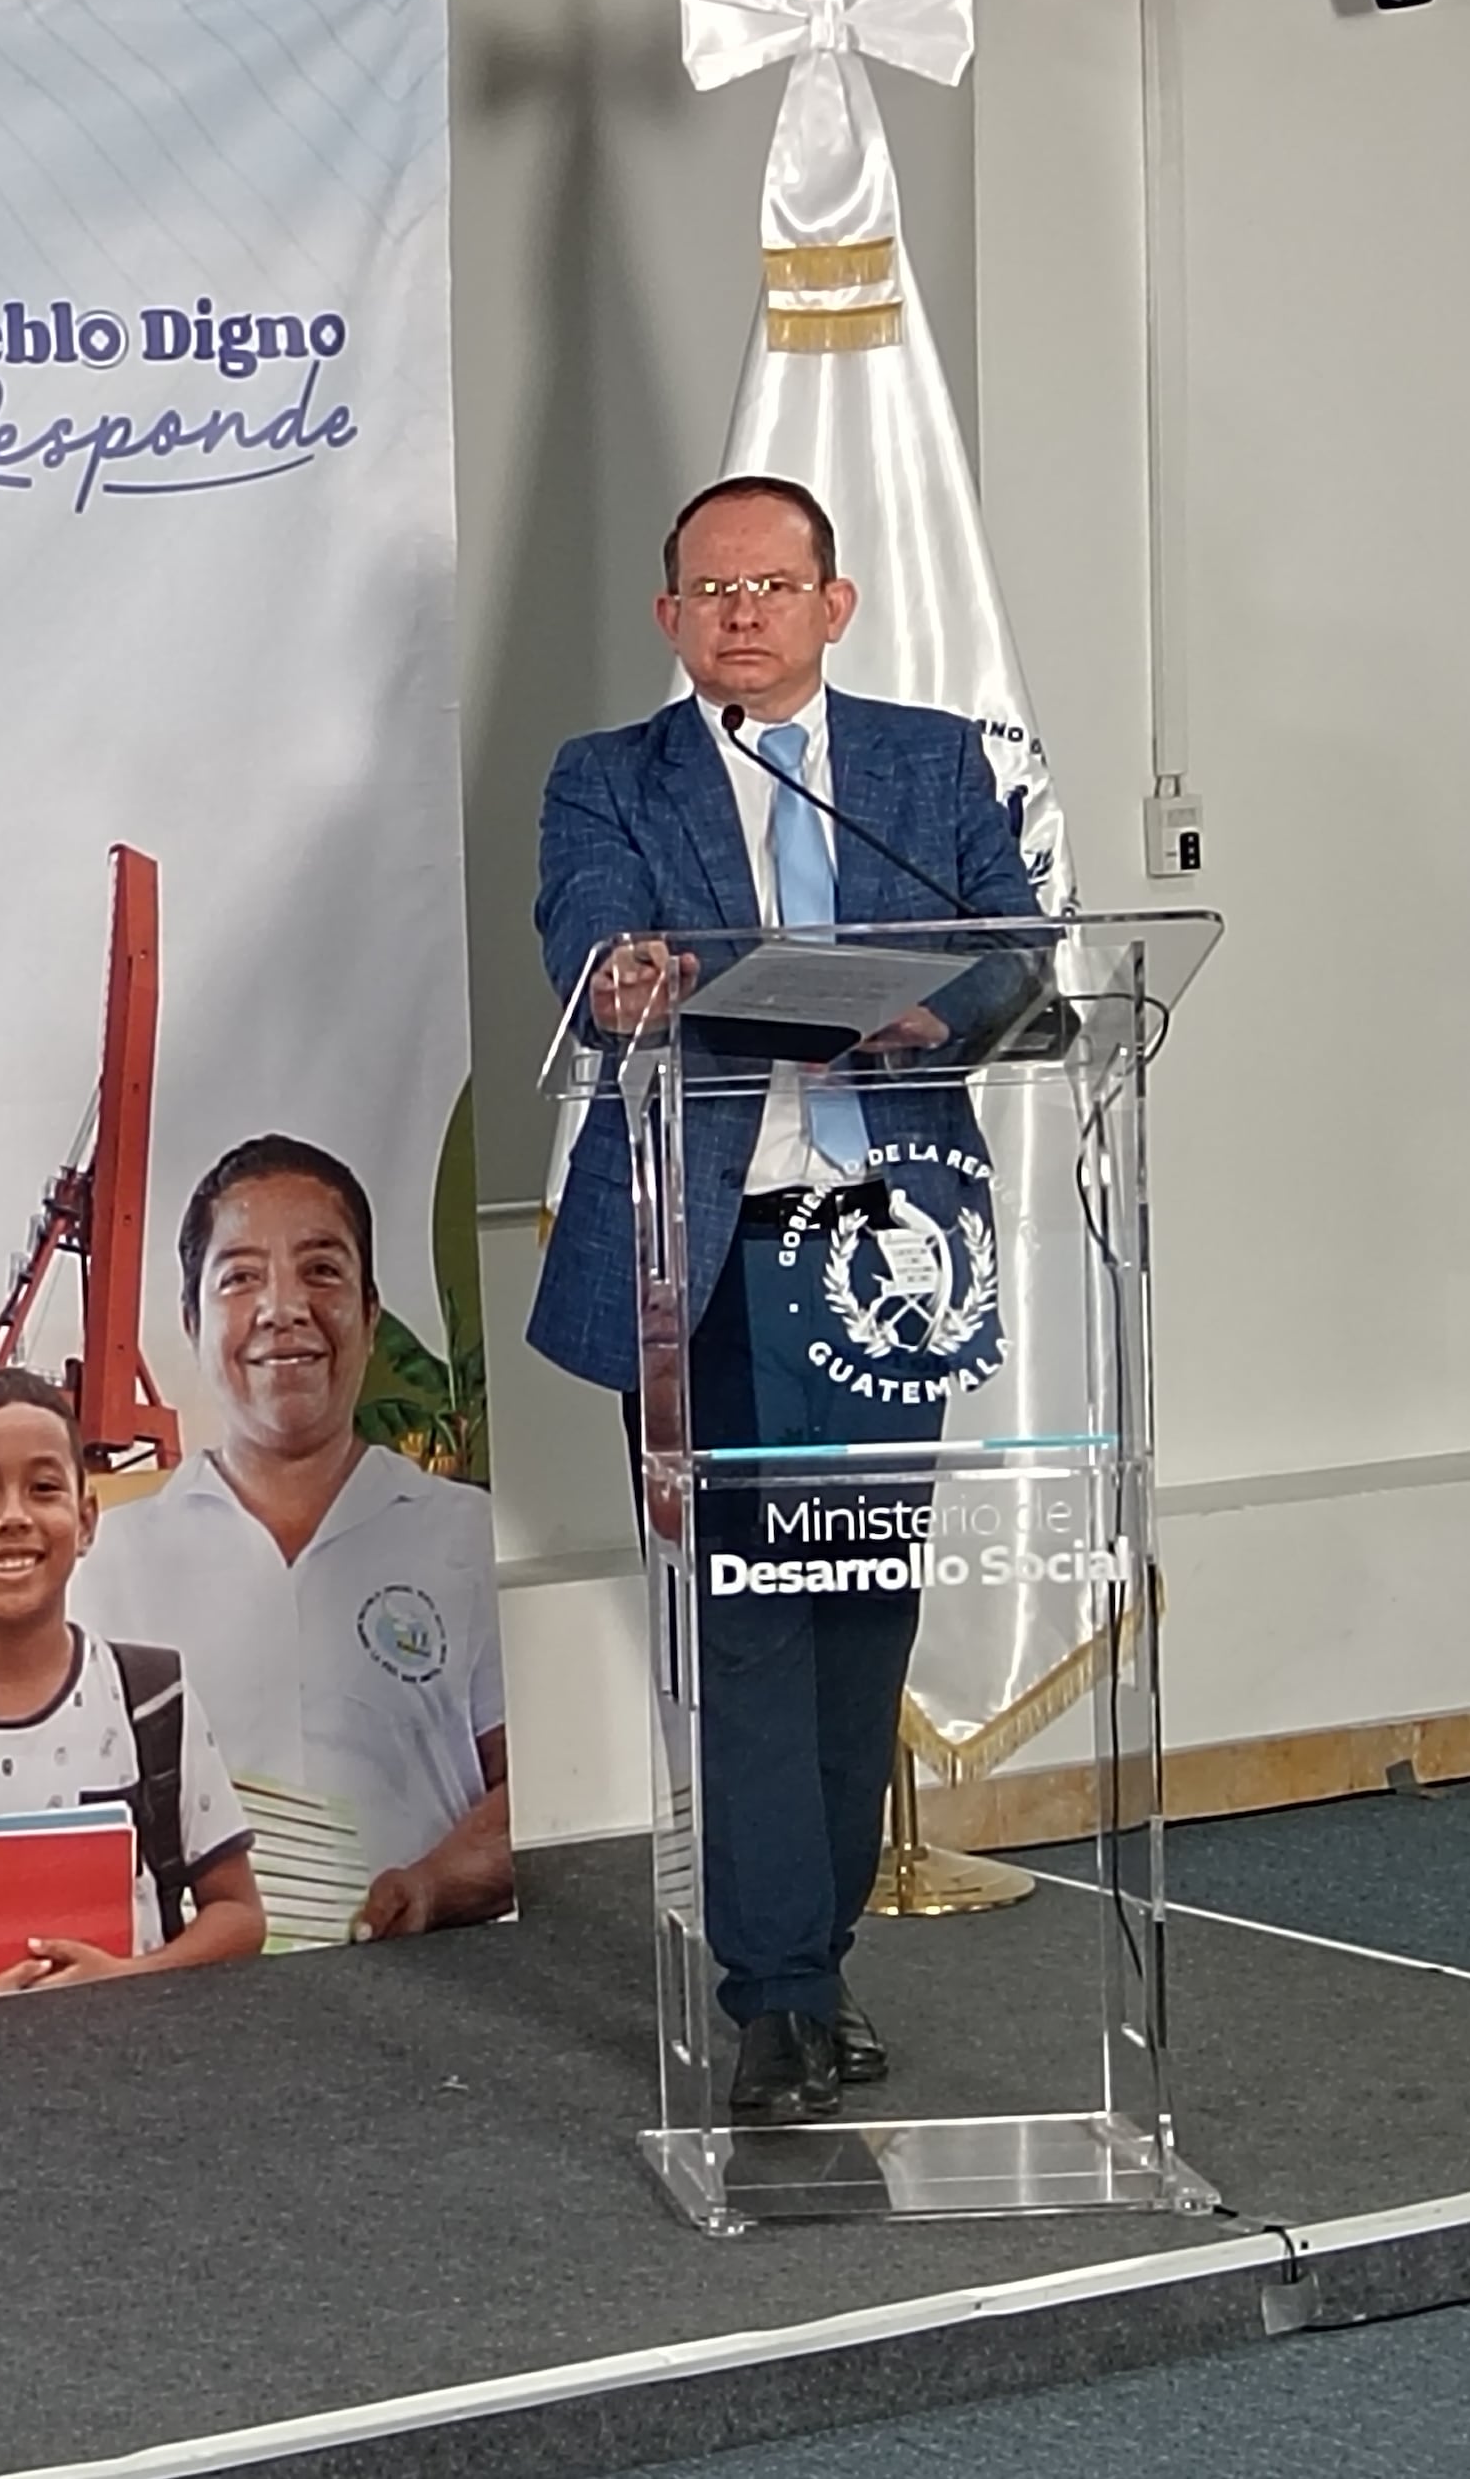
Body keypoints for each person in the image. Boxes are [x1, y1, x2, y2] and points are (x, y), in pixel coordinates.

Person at [526, 473, 1043, 2125]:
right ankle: (781, 1999)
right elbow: (587, 940)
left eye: (772, 585)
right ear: (670, 617)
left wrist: (927, 1010)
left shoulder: (928, 763)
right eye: (710, 590)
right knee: (747, 1613)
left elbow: (1018, 949)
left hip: (889, 1255)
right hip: (709, 1249)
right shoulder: (608, 776)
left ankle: (812, 1962)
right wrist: (625, 977)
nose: (741, 613)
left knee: (856, 1608)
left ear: (839, 601)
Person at [71, 1137, 517, 1940]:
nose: (284, 1307)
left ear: (371, 1313)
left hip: (441, 2004)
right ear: (191, 1322)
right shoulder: (111, 1565)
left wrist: (430, 1886)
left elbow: (544, 1788)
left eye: (322, 1269)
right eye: (240, 1276)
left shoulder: (466, 1534)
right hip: (189, 2016)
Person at [0, 1370, 264, 1998]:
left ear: (85, 1520)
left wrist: (125, 1981)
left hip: (140, 2081)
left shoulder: (153, 1699)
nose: (12, 1517)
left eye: (43, 1488)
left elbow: (239, 1914)